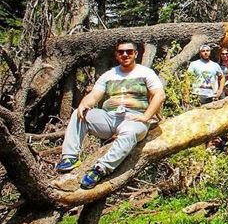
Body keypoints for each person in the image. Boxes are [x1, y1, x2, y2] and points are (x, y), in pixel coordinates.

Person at [56, 41, 166, 189]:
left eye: (129, 51)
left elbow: (159, 95)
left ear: (135, 54)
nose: (125, 54)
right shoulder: (109, 75)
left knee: (130, 132)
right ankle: (70, 157)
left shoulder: (145, 72)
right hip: (109, 118)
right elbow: (94, 95)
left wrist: (146, 117)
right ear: (116, 55)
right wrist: (84, 104)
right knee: (78, 113)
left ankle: (100, 169)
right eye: (121, 52)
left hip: (134, 118)